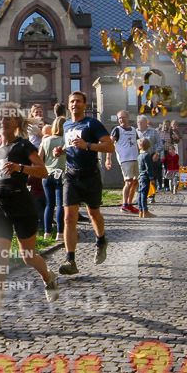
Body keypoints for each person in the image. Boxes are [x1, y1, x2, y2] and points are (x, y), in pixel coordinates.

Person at [0, 102, 59, 330]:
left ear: (17, 122)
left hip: (22, 206)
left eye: (7, 118)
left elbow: (43, 171)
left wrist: (21, 167)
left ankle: (48, 277)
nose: (2, 121)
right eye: (0, 118)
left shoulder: (24, 145)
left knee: (29, 257)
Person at [60, 91, 115, 275]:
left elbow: (110, 146)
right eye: (72, 102)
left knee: (93, 213)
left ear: (85, 105)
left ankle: (101, 240)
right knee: (68, 218)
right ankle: (70, 260)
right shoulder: (66, 124)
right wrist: (60, 151)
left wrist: (88, 146)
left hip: (90, 175)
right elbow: (70, 145)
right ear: (68, 106)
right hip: (71, 175)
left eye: (78, 101)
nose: (74, 104)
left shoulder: (92, 123)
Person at [105, 111, 140, 213]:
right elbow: (110, 144)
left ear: (128, 118)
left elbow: (137, 144)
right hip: (125, 159)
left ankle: (130, 203)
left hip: (135, 158)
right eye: (119, 118)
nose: (121, 120)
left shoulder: (133, 130)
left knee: (135, 182)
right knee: (128, 182)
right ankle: (124, 204)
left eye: (123, 117)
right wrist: (108, 158)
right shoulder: (117, 130)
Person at [39, 121, 65, 238]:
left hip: (47, 174)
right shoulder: (65, 140)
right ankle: (60, 233)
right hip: (61, 173)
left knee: (49, 205)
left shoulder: (45, 141)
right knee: (60, 204)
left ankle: (47, 233)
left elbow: (39, 159)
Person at [135, 115, 161, 205]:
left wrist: (157, 153)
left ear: (146, 123)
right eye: (138, 123)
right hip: (139, 156)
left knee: (151, 175)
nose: (139, 124)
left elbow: (160, 143)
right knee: (141, 176)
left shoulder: (153, 132)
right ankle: (141, 194)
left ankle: (151, 195)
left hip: (151, 155)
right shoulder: (135, 132)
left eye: (141, 123)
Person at [137, 137, 156, 217]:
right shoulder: (147, 156)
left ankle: (140, 211)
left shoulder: (139, 156)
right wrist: (151, 178)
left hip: (140, 177)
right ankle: (145, 211)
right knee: (144, 194)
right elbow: (148, 168)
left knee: (140, 194)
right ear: (149, 146)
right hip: (145, 177)